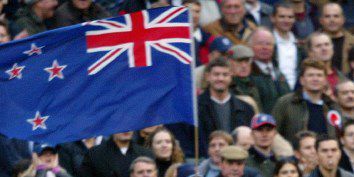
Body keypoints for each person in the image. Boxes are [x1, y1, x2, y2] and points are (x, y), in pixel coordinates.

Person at [273, 59, 341, 142]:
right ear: (302, 80)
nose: (315, 79)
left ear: (325, 81)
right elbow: (274, 134)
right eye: (310, 75)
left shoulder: (333, 106)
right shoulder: (285, 103)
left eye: (319, 75)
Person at [198, 57, 254, 156]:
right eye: (216, 74)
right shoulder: (196, 108)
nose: (220, 78)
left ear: (231, 77)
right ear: (207, 77)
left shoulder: (246, 109)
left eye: (225, 75)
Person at [249, 27, 290, 113]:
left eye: (269, 44)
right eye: (260, 43)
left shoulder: (279, 73)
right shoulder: (248, 73)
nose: (265, 47)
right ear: (250, 46)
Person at [80, 131, 154, 177]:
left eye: (129, 124)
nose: (126, 129)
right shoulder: (95, 154)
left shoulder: (146, 154)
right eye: (120, 123)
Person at [271, 2, 306, 90]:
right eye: (282, 17)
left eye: (290, 17)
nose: (286, 20)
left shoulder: (300, 44)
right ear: (272, 18)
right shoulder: (268, 42)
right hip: (275, 90)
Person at [319, 3, 354, 73]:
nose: (332, 20)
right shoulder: (312, 41)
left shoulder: (352, 41)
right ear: (321, 20)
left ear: (343, 19)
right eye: (327, 16)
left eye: (336, 16)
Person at [228, 44, 262, 112]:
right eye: (239, 61)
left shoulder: (257, 83)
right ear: (230, 62)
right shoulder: (226, 85)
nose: (244, 65)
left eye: (247, 61)